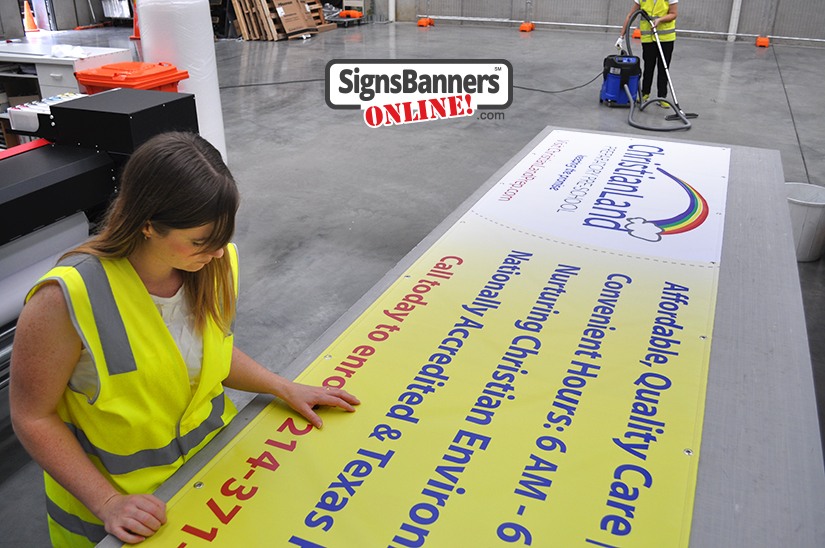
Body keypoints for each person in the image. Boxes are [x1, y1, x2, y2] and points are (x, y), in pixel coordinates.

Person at [9, 132, 360, 548]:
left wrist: (281, 386)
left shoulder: (214, 265)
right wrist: (107, 503)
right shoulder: (67, 298)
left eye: (222, 236)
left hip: (213, 481)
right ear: (147, 225)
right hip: (125, 517)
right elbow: (33, 417)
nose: (215, 252)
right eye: (199, 241)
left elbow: (207, 355)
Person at [618, 0, 678, 108]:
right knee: (648, 66)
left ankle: (662, 96)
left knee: (663, 67)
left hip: (666, 37)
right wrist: (621, 36)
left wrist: (660, 20)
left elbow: (673, 14)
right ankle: (645, 93)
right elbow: (631, 15)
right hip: (648, 37)